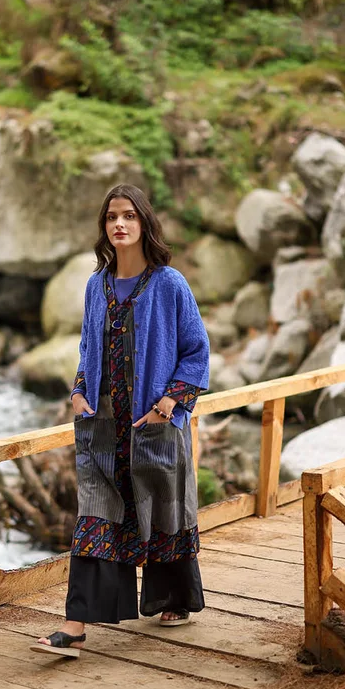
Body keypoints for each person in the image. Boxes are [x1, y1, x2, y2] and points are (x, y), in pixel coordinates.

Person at [31, 184, 210, 658]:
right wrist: (77, 390)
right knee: (96, 515)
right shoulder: (97, 285)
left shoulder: (169, 283)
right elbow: (88, 350)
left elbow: (196, 351)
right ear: (104, 226)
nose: (120, 224)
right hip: (103, 426)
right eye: (112, 217)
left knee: (165, 507)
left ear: (144, 223)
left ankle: (173, 598)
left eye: (129, 215)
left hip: (154, 421)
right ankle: (76, 624)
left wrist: (170, 403)